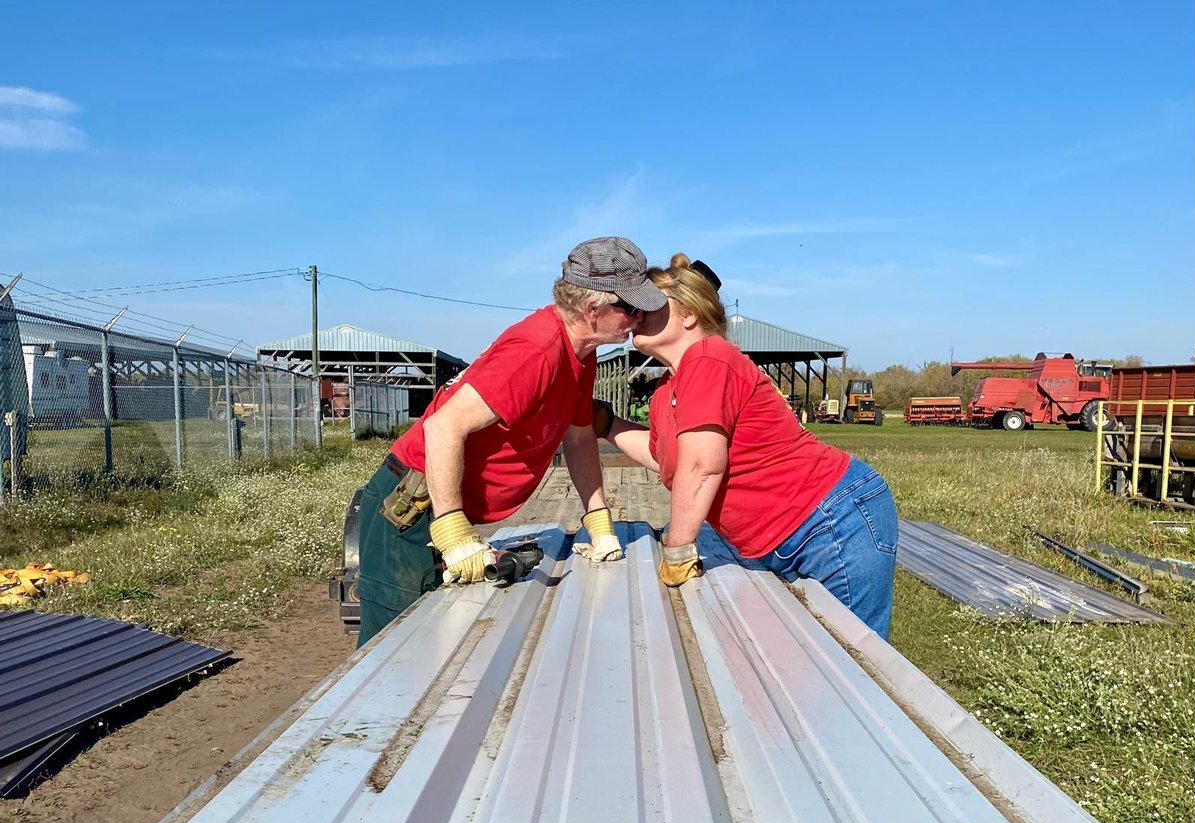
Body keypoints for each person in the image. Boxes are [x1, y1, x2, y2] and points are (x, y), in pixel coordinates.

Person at [353, 236, 667, 647]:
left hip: (436, 507)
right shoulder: (537, 352)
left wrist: (599, 519)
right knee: (390, 652)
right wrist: (452, 531)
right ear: (593, 310)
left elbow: (578, 438)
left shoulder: (581, 353)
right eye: (631, 308)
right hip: (410, 513)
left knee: (433, 645)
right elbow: (443, 427)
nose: (640, 317)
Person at [604, 254, 899, 639]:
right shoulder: (666, 391)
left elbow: (701, 467)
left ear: (689, 315)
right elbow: (665, 458)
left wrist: (676, 548)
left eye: (649, 305)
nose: (635, 316)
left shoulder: (710, 359)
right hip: (794, 531)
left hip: (831, 522)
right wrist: (606, 423)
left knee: (852, 665)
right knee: (816, 663)